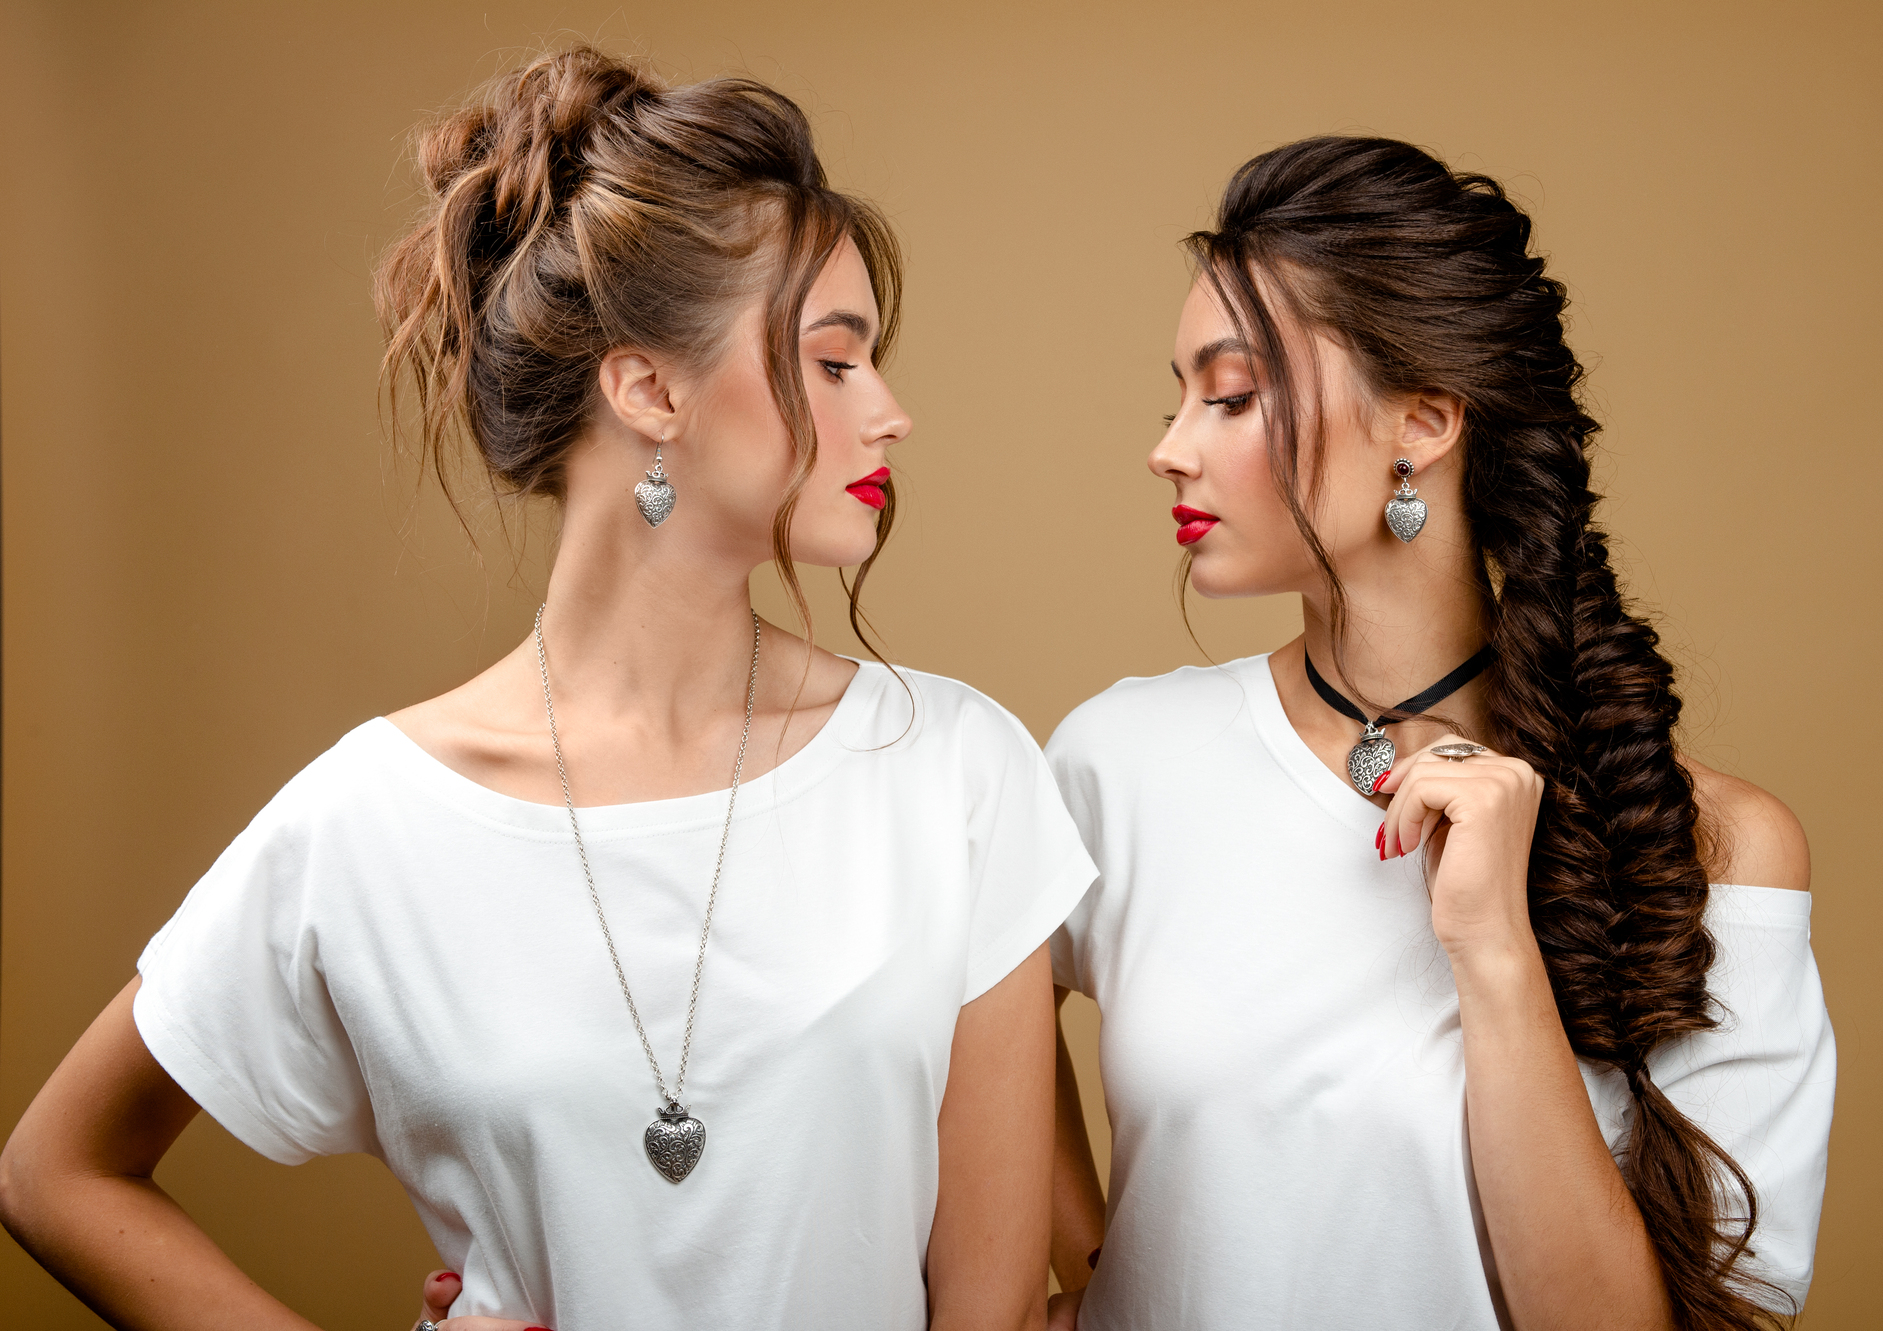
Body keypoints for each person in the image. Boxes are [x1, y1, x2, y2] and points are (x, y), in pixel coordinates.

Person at [0, 47, 1094, 1331]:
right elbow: (53, 1171)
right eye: (835, 361)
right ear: (646, 387)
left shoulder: (953, 772)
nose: (891, 412)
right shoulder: (371, 821)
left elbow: (998, 1307)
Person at [1044, 137, 1834, 1330]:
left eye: (1231, 394)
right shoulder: (1119, 759)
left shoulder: (1716, 846)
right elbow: (960, 1032)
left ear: (1420, 422)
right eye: (1176, 395)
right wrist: (1103, 1277)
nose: (1170, 444)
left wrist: (1492, 947)